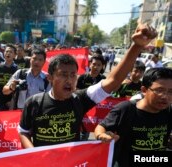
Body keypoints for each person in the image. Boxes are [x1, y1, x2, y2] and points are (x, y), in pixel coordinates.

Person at [17, 23, 157, 148]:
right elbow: (23, 132)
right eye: (63, 74)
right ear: (50, 78)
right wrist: (36, 156)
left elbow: (112, 81)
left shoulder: (80, 99)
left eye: (73, 75)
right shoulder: (34, 103)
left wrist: (136, 46)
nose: (69, 80)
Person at [95, 67, 172, 167]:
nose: (165, 96)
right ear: (144, 90)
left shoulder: (169, 112)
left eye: (170, 91)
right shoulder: (125, 109)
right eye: (159, 90)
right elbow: (101, 127)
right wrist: (102, 136)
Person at [0, 44, 18, 111]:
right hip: (1, 99)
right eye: (6, 51)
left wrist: (12, 101)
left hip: (12, 101)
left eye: (10, 52)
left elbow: (18, 88)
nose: (8, 53)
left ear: (15, 55)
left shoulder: (17, 69)